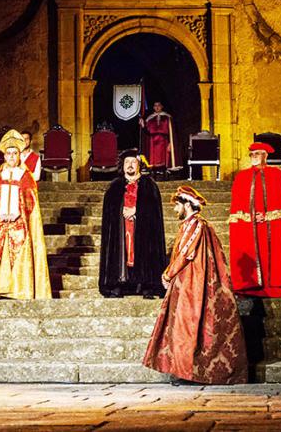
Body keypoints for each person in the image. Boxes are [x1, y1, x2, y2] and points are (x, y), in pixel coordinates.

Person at [143, 186, 248, 385]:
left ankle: (191, 372)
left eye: (177, 204)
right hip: (186, 281)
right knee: (184, 326)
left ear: (187, 204)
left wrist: (168, 273)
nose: (175, 209)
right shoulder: (191, 224)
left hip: (193, 282)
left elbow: (186, 252)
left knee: (189, 326)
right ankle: (185, 371)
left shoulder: (196, 224)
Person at [0, 129, 51, 300]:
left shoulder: (26, 176)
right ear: (4, 156)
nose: (11, 157)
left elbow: (31, 201)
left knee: (19, 252)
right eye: (8, 153)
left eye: (14, 153)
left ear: (19, 155)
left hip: (20, 223)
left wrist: (18, 213)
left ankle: (19, 289)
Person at [229, 142, 281, 298]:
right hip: (248, 224)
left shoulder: (277, 175)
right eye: (251, 154)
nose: (254, 157)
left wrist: (267, 216)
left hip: (271, 224)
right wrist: (250, 217)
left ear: (266, 155)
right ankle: (249, 287)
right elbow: (237, 203)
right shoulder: (241, 177)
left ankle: (275, 287)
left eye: (257, 154)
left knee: (272, 254)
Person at [98, 149, 166, 298]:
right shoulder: (114, 186)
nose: (130, 165)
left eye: (133, 162)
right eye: (127, 162)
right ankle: (118, 284)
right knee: (120, 252)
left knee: (145, 250)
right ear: (122, 166)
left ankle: (147, 285)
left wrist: (137, 210)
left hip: (143, 231)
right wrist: (121, 210)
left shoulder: (149, 185)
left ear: (139, 165)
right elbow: (110, 210)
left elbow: (154, 210)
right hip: (122, 229)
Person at [139, 101, 182, 172]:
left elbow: (172, 133)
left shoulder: (167, 118)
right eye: (155, 106)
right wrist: (143, 125)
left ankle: (165, 172)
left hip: (164, 141)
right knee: (153, 160)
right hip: (152, 142)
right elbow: (147, 132)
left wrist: (170, 143)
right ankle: (154, 171)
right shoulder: (150, 119)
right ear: (153, 107)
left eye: (159, 105)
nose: (157, 107)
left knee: (164, 159)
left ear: (162, 107)